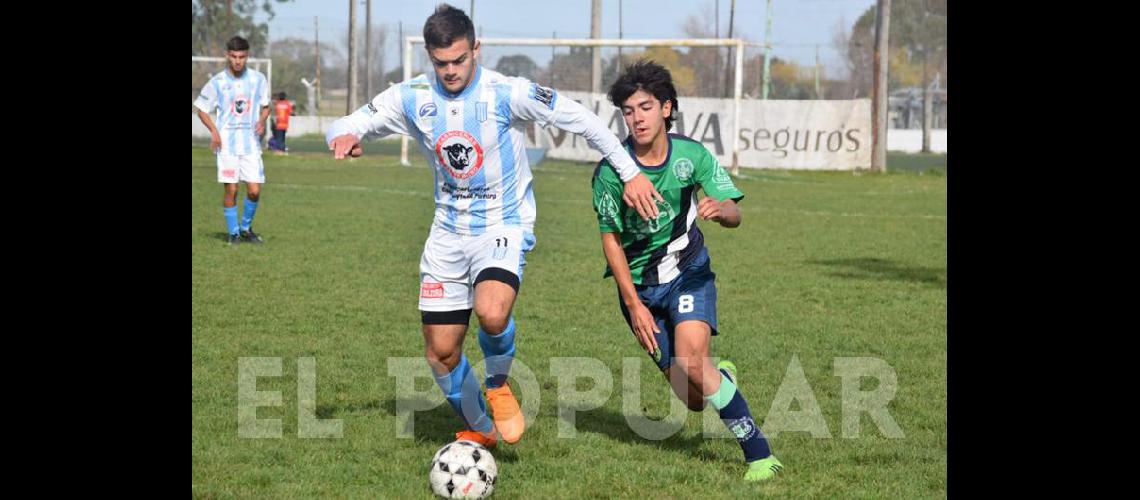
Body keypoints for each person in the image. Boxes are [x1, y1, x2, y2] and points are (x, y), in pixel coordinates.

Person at [325, 4, 663, 448]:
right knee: (441, 353)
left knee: (491, 310)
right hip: (447, 234)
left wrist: (629, 171)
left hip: (503, 224)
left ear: (476, 49)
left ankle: (498, 383)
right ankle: (481, 428)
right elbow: (350, 120)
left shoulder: (507, 93)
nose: (450, 71)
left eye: (459, 60)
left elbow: (578, 118)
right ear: (430, 57)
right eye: (441, 62)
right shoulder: (411, 96)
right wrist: (342, 137)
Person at [591, 60, 784, 482]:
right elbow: (611, 242)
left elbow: (735, 212)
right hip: (639, 290)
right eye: (628, 110)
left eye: (644, 107)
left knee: (694, 361)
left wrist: (722, 210)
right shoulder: (611, 171)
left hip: (687, 271)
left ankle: (759, 453)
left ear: (666, 108)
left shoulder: (692, 155)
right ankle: (722, 378)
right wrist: (633, 306)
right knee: (693, 399)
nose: (636, 118)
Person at [194, 36, 270, 245]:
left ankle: (246, 228)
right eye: (234, 56)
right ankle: (234, 232)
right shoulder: (217, 82)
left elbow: (266, 106)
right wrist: (214, 132)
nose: (238, 61)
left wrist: (262, 121)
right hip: (227, 146)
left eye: (242, 57)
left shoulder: (258, 80)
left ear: (248, 56)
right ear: (227, 55)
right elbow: (201, 109)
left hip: (251, 145)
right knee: (232, 189)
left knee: (254, 191)